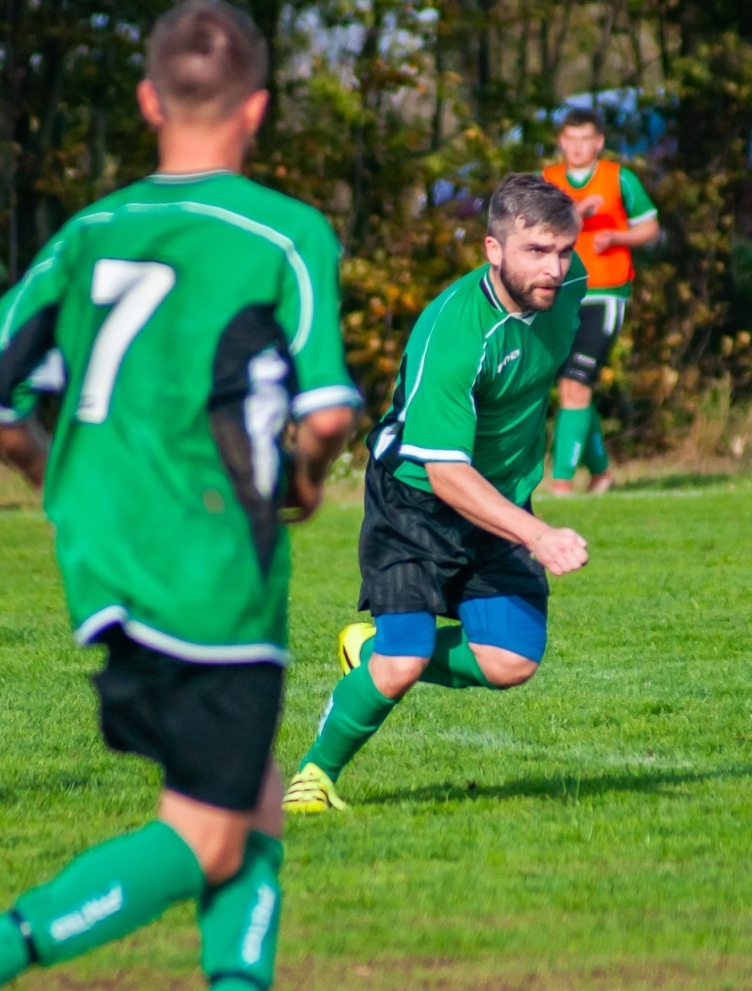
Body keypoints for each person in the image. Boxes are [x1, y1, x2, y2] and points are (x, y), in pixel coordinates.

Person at [0, 4, 358, 991]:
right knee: (210, 831)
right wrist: (308, 481)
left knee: (253, 796)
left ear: (147, 101)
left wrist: (60, 476)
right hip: (212, 559)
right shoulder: (283, 231)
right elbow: (325, 413)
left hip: (102, 554)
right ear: (259, 110)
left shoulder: (87, 230)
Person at [282, 173, 590, 815]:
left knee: (509, 661)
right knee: (403, 662)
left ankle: (369, 650)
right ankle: (313, 778)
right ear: (492, 250)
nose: (554, 267)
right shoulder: (454, 330)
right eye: (536, 251)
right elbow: (446, 473)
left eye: (563, 250)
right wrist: (538, 534)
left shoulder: (570, 286)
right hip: (416, 499)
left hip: (498, 499)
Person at [541, 108, 660, 495]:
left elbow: (649, 227)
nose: (577, 148)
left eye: (585, 140)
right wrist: (573, 215)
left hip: (605, 294)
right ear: (561, 142)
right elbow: (535, 232)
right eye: (570, 140)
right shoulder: (548, 181)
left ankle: (560, 483)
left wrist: (615, 238)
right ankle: (602, 474)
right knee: (570, 387)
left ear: (599, 142)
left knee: (575, 384)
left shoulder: (617, 178)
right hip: (559, 296)